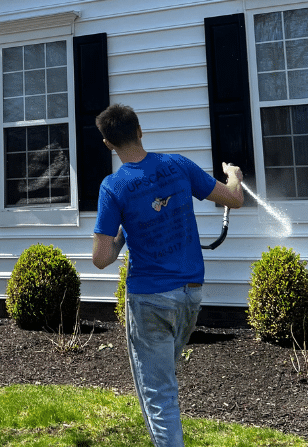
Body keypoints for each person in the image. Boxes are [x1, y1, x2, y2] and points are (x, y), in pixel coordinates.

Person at [92, 103, 244, 447]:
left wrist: (122, 233)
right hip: (191, 294)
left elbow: (101, 258)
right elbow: (234, 199)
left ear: (108, 143)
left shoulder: (113, 186)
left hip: (149, 300)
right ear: (140, 130)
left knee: (158, 395)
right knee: (165, 383)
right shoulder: (178, 165)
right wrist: (233, 174)